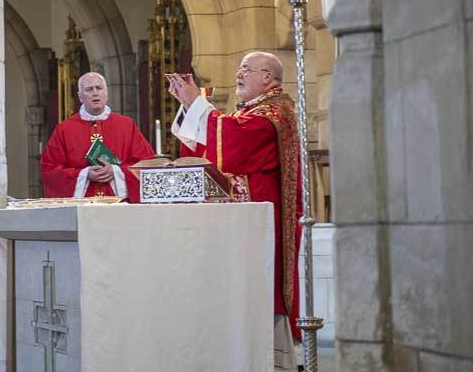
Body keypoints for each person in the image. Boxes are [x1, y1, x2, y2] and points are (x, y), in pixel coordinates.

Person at [167, 52, 303, 350]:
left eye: (246, 69)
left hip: (264, 219)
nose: (239, 74)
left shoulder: (274, 114)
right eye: (239, 69)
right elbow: (214, 141)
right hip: (245, 219)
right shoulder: (256, 111)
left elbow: (232, 143)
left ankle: (268, 359)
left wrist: (196, 103)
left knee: (258, 291)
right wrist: (189, 105)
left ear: (267, 77)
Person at [41, 72, 155, 201]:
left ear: (106, 93)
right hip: (82, 205)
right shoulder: (64, 129)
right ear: (80, 97)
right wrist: (84, 175)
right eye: (89, 89)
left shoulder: (127, 125)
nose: (95, 93)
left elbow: (146, 164)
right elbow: (50, 170)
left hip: (120, 205)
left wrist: (116, 171)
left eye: (99, 88)